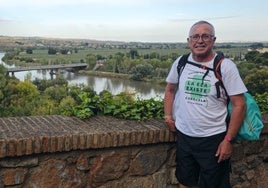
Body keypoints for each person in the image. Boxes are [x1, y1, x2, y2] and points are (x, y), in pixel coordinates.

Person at [164, 20, 247, 188]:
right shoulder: (181, 62)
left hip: (214, 139)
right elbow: (170, 90)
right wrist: (168, 117)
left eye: (205, 36)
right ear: (189, 41)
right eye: (195, 36)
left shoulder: (225, 66)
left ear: (213, 40)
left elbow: (239, 105)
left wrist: (228, 140)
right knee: (185, 181)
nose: (199, 40)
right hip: (184, 136)